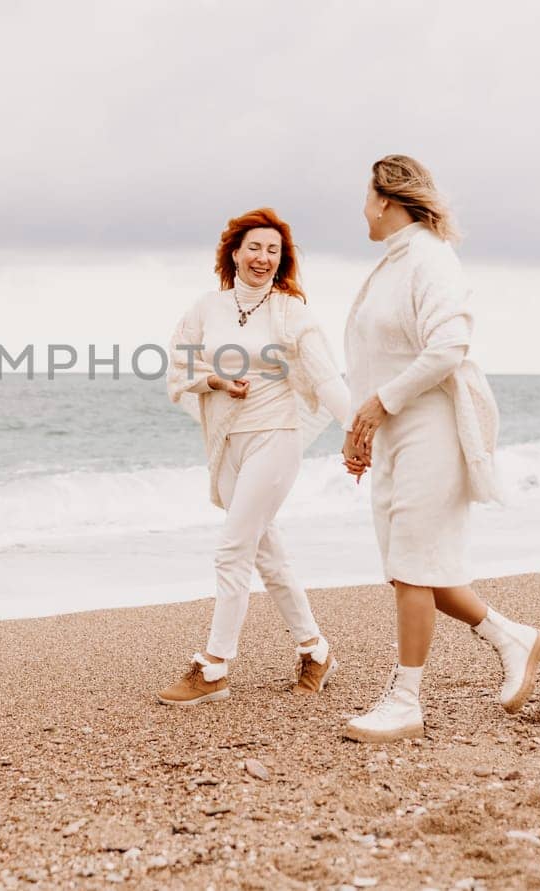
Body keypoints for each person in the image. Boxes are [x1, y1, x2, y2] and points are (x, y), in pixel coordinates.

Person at [340, 154, 540, 742]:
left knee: (413, 565)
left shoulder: (431, 259)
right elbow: (372, 364)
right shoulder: (391, 265)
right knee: (411, 567)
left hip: (430, 426)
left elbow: (449, 345)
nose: (361, 209)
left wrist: (381, 405)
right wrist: (361, 430)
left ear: (384, 198)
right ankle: (513, 637)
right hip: (394, 431)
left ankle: (406, 701)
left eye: (365, 198)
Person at [157, 207, 355, 706]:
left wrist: (357, 429)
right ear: (234, 253)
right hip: (228, 442)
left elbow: (327, 378)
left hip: (276, 438)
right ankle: (315, 649)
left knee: (232, 550)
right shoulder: (208, 307)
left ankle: (214, 666)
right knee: (267, 553)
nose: (263, 258)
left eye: (273, 250)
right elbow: (181, 360)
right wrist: (217, 381)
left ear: (281, 259)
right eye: (255, 248)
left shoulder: (290, 311)